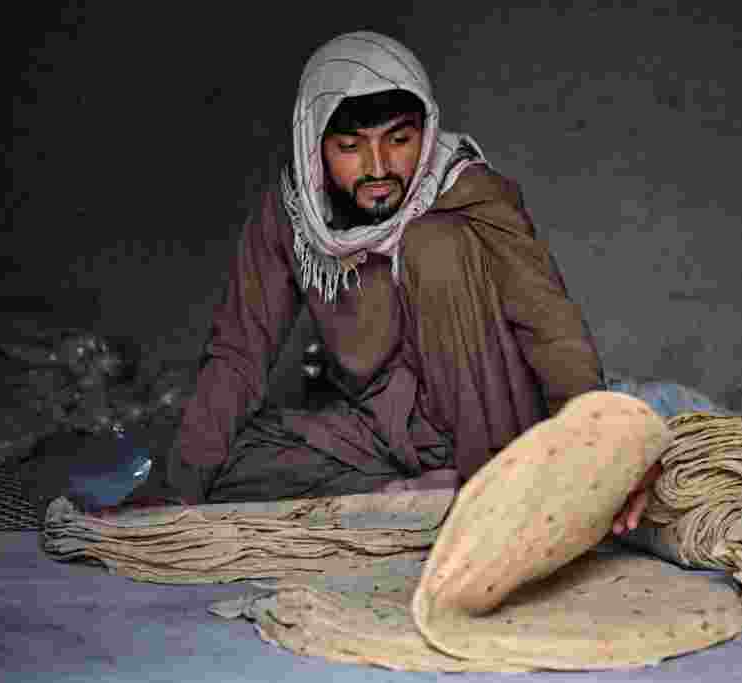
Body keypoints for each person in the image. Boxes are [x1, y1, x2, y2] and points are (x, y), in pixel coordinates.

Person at [135, 31, 658, 535]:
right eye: (350, 146)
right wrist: (178, 487)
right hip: (383, 430)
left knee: (433, 242)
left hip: (490, 417)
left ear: (425, 132)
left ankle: (486, 484)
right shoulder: (295, 211)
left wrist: (604, 447)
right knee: (230, 465)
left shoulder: (466, 187)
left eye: (399, 140)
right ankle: (418, 492)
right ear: (315, 146)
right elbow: (239, 354)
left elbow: (550, 325)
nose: (378, 167)